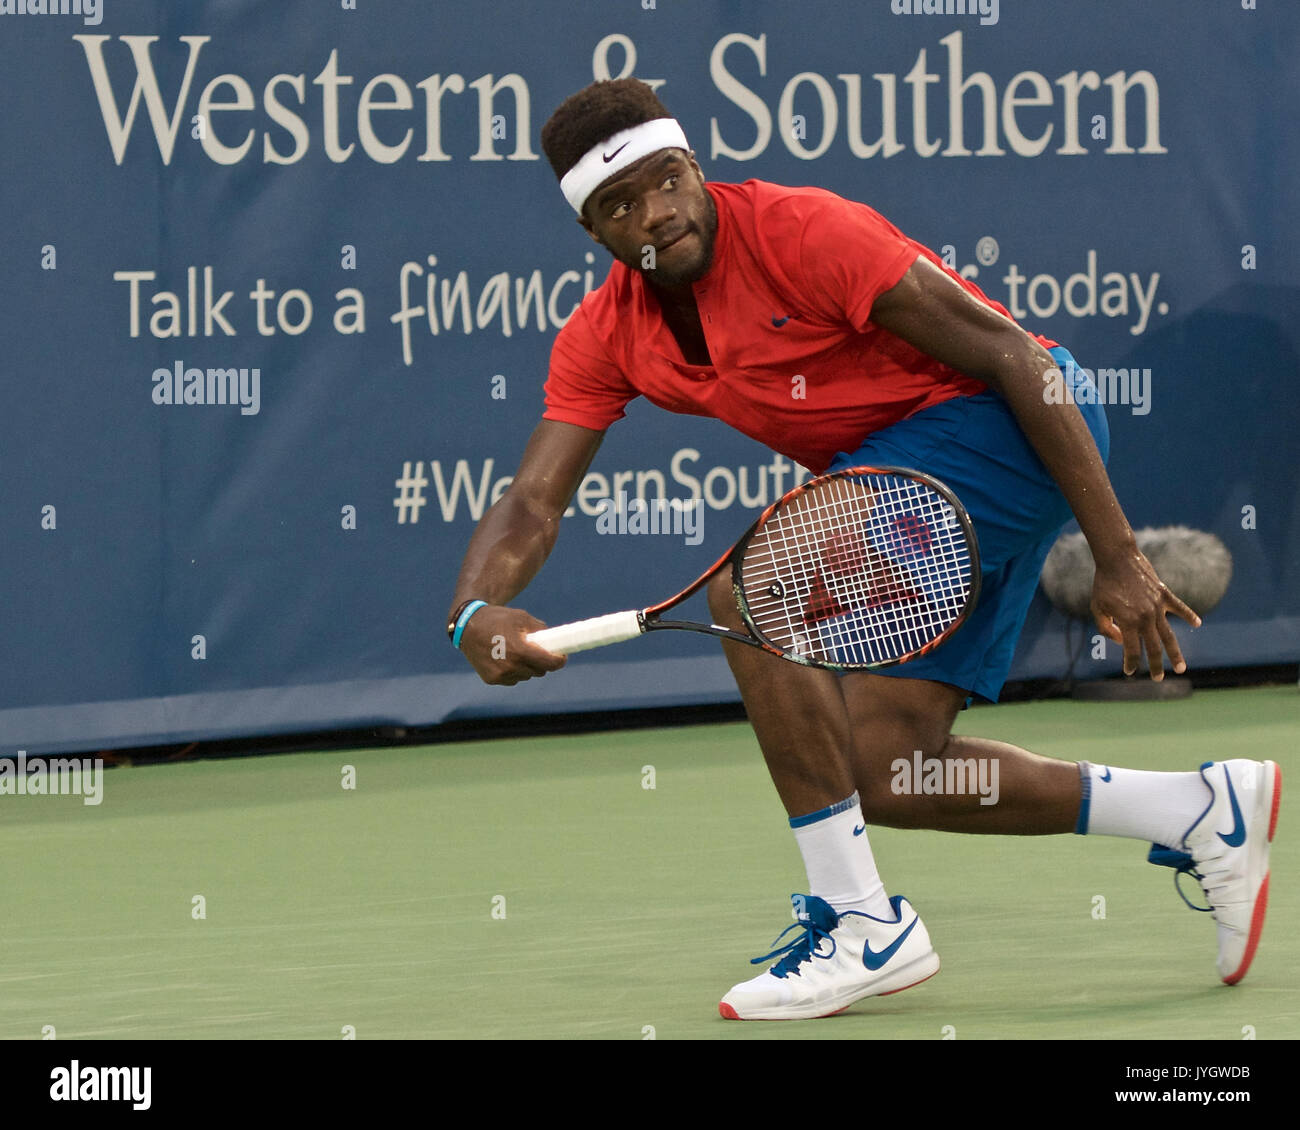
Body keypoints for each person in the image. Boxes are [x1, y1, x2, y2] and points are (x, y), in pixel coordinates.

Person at [445, 79, 1280, 1021]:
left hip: (1014, 428)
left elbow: (1018, 362)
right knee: (887, 767)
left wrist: (1117, 551)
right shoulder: (607, 333)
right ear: (595, 234)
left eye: (668, 178)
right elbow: (532, 499)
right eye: (620, 205)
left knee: (750, 591)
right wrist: (476, 608)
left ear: (695, 168)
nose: (659, 212)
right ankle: (1199, 810)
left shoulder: (802, 232)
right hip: (910, 483)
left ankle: (860, 923)